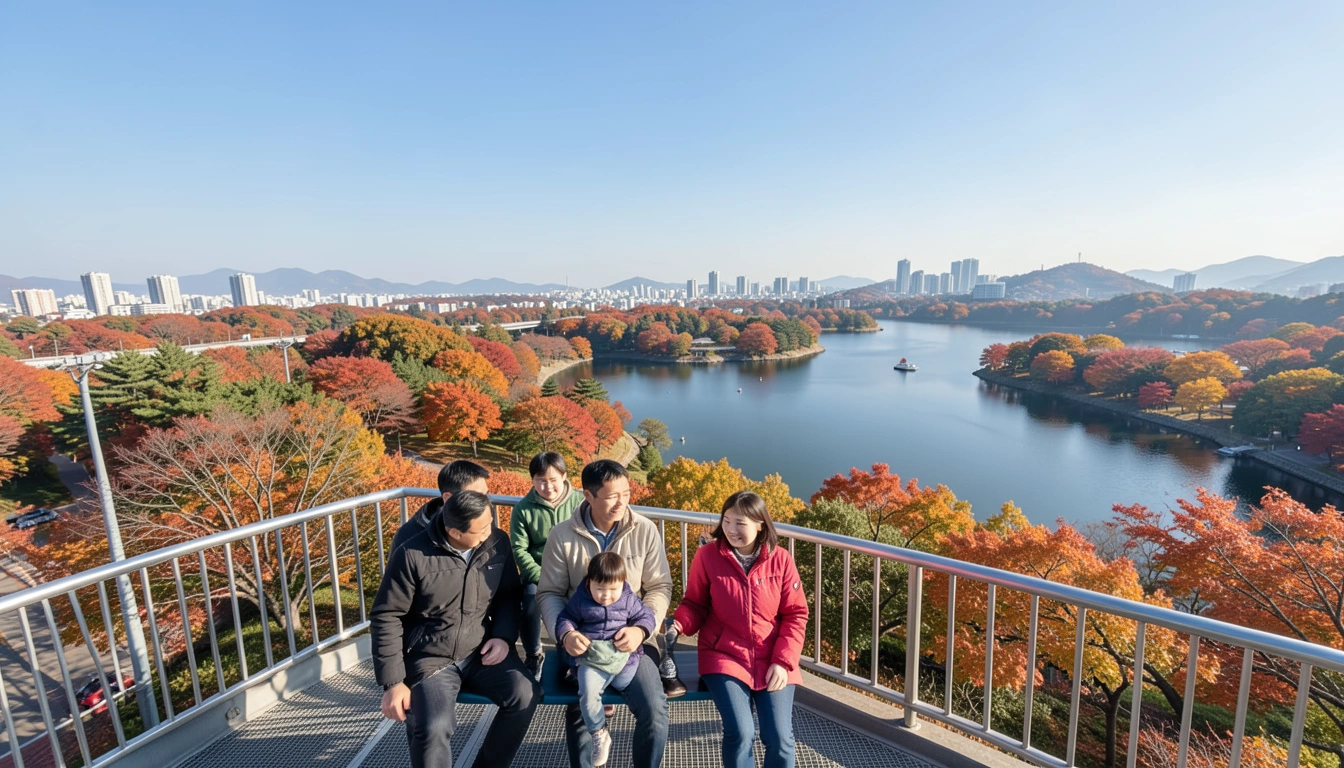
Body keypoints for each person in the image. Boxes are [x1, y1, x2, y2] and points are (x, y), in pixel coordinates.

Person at [371, 491, 541, 768]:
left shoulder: (497, 542)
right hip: (430, 658)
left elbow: (509, 594)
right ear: (454, 531)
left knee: (525, 694)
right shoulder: (412, 555)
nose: (489, 532)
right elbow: (386, 616)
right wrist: (393, 683)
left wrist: (502, 637)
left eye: (490, 523)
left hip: (479, 649)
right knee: (435, 726)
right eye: (481, 528)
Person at [538, 459, 673, 768]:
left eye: (626, 493)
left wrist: (642, 629)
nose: (621, 502)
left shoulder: (645, 530)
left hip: (632, 644)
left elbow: (659, 587)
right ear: (588, 496)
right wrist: (566, 634)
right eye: (612, 496)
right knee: (580, 713)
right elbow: (550, 593)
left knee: (654, 709)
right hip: (583, 641)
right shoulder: (562, 535)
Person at [671, 491, 808, 768]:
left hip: (773, 657)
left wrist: (783, 662)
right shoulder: (707, 556)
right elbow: (695, 603)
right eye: (727, 521)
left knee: (780, 738)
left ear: (760, 525)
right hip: (723, 655)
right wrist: (679, 623)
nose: (731, 530)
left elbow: (796, 614)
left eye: (740, 523)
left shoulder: (781, 560)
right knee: (741, 733)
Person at [555, 552, 657, 766]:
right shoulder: (581, 600)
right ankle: (599, 732)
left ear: (623, 583)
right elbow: (566, 618)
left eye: (613, 590)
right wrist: (568, 634)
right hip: (592, 658)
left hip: (622, 657)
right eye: (600, 589)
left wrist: (638, 631)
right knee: (588, 693)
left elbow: (645, 616)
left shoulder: (628, 598)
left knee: (641, 695)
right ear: (589, 583)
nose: (606, 596)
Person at [510, 451, 583, 680]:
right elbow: (519, 549)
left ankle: (578, 654)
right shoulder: (523, 509)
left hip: (576, 569)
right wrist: (541, 577)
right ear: (532, 480)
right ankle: (533, 654)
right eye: (541, 481)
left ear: (564, 476)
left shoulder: (581, 502)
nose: (547, 486)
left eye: (553, 480)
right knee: (530, 603)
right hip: (538, 574)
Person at [391, 460, 491, 555]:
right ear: (448, 497)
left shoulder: (484, 521)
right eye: (475, 496)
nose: (484, 503)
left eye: (486, 495)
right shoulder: (408, 537)